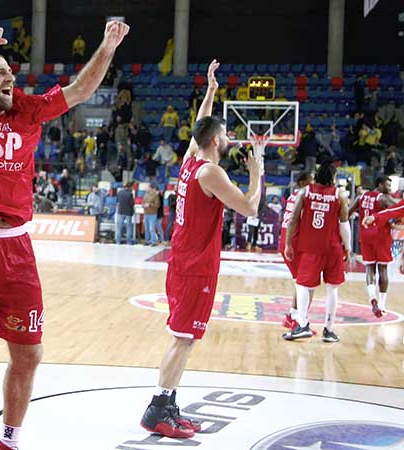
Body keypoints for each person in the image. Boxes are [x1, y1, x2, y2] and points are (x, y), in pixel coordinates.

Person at [0, 20, 129, 450]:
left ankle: (10, 442)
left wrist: (107, 47)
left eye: (10, 72)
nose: (9, 78)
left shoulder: (27, 110)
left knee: (29, 352)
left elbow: (80, 92)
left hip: (16, 247)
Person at [140, 59, 263, 439]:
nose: (227, 139)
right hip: (195, 265)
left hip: (183, 259)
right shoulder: (210, 171)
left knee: (185, 337)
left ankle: (168, 405)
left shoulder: (190, 162)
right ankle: (157, 409)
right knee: (183, 338)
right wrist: (257, 172)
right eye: (224, 135)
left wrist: (210, 91)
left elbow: (200, 125)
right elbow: (250, 207)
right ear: (215, 141)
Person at [283, 162, 350, 343]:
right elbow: (344, 224)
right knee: (332, 288)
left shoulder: (305, 192)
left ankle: (302, 324)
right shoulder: (340, 195)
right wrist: (348, 247)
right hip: (333, 247)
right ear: (333, 177)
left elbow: (293, 219)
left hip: (311, 247)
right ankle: (329, 330)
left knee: (303, 285)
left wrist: (288, 243)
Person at [348, 176, 397, 317]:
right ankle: (382, 304)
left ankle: (372, 298)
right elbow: (399, 210)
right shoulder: (383, 198)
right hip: (381, 236)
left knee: (369, 268)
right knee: (383, 269)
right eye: (388, 185)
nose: (390, 189)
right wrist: (394, 222)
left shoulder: (361, 196)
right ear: (380, 185)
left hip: (365, 235)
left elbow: (348, 211)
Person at [279, 171, 315, 331]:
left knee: (301, 283)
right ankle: (300, 322)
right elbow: (296, 220)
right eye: (311, 180)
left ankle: (292, 316)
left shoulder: (294, 195)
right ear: (302, 182)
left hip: (288, 240)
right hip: (293, 242)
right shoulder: (303, 196)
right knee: (307, 284)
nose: (313, 183)